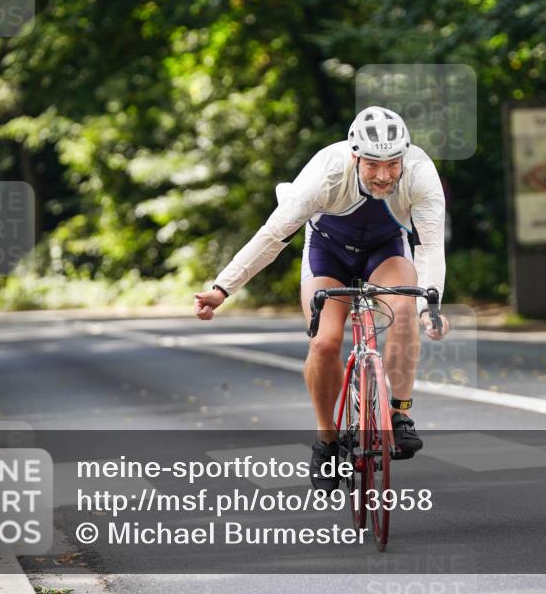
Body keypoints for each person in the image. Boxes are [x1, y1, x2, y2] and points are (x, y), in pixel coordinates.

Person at [193, 106, 450, 492]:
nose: (384, 175)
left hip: (385, 249)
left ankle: (399, 414)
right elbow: (271, 237)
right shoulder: (325, 173)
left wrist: (430, 307)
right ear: (355, 156)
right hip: (328, 251)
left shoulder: (420, 173)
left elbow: (429, 246)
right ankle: (326, 438)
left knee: (403, 308)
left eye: (393, 163)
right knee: (325, 341)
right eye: (373, 164)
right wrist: (221, 288)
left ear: (405, 156)